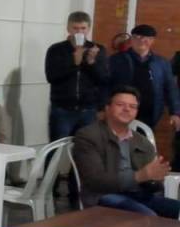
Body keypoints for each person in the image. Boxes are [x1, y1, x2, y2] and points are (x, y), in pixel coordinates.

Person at [73, 86, 179, 217]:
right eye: (120, 105)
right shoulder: (88, 136)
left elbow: (151, 183)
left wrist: (155, 179)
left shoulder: (142, 142)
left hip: (138, 195)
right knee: (148, 217)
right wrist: (140, 176)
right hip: (102, 196)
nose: (127, 109)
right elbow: (95, 181)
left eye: (132, 106)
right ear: (107, 108)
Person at [45, 11, 109, 141]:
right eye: (75, 28)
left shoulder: (97, 49)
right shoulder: (56, 49)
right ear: (68, 28)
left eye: (83, 28)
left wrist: (91, 62)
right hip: (63, 109)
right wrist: (74, 63)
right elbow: (52, 77)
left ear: (89, 29)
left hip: (88, 110)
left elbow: (103, 79)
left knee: (87, 147)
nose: (79, 32)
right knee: (58, 148)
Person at [108, 24, 180, 134]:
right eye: (137, 37)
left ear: (152, 41)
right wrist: (103, 107)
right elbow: (106, 84)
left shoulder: (161, 63)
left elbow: (170, 88)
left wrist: (175, 112)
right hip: (122, 111)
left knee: (144, 142)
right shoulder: (116, 60)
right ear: (131, 39)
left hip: (150, 113)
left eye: (147, 38)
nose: (142, 41)